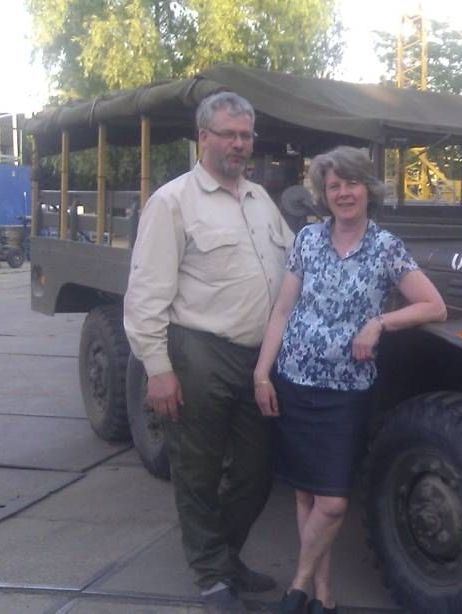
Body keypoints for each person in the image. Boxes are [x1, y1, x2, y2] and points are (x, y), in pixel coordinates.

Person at [252, 146, 447, 614]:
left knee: (334, 501)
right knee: (305, 492)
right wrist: (262, 373)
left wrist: (380, 323)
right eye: (334, 186)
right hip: (295, 380)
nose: (343, 193)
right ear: (324, 193)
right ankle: (323, 596)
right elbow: (282, 311)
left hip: (347, 391)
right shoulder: (307, 240)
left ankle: (297, 586)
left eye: (351, 184)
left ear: (367, 189)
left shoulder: (386, 247)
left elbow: (434, 306)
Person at [123, 91, 295, 613]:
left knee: (256, 471)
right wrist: (158, 369)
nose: (240, 144)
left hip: (258, 358)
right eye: (229, 134)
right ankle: (213, 577)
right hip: (199, 351)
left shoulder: (260, 199)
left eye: (246, 135)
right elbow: (146, 293)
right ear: (204, 137)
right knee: (196, 470)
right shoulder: (172, 202)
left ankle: (223, 556)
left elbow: (294, 266)